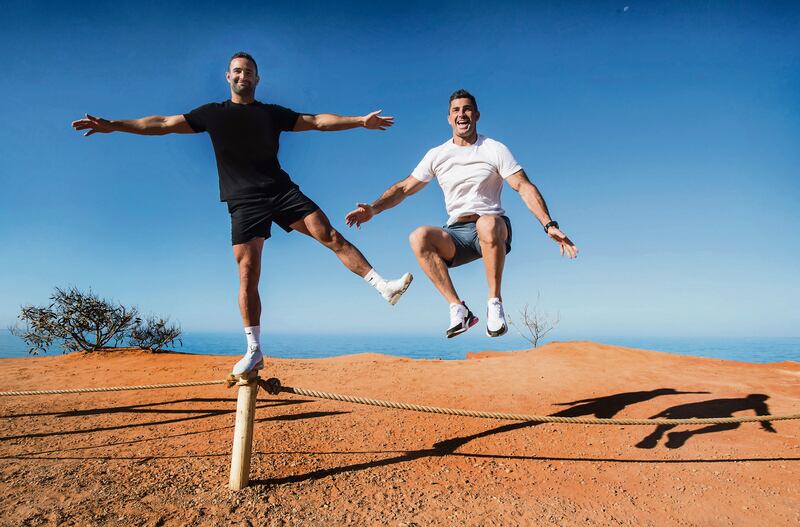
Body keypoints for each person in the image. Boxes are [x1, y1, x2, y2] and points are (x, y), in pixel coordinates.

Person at [71, 51, 413, 375]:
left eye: (248, 71)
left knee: (331, 235)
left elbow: (317, 121)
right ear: (228, 77)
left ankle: (384, 287)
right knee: (248, 272)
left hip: (281, 190)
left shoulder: (271, 113)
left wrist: (359, 121)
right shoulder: (212, 113)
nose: (242, 75)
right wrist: (114, 124)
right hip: (244, 201)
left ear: (257, 78)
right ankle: (254, 350)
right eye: (237, 70)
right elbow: (161, 123)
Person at [345, 89, 577, 338]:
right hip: (457, 234)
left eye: (466, 109)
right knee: (418, 236)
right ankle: (459, 309)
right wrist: (373, 208)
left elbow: (522, 185)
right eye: (456, 110)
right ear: (448, 118)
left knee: (487, 223)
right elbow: (403, 188)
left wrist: (548, 223)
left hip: (493, 228)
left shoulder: (494, 148)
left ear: (476, 115)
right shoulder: (437, 155)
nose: (461, 114)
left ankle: (494, 304)